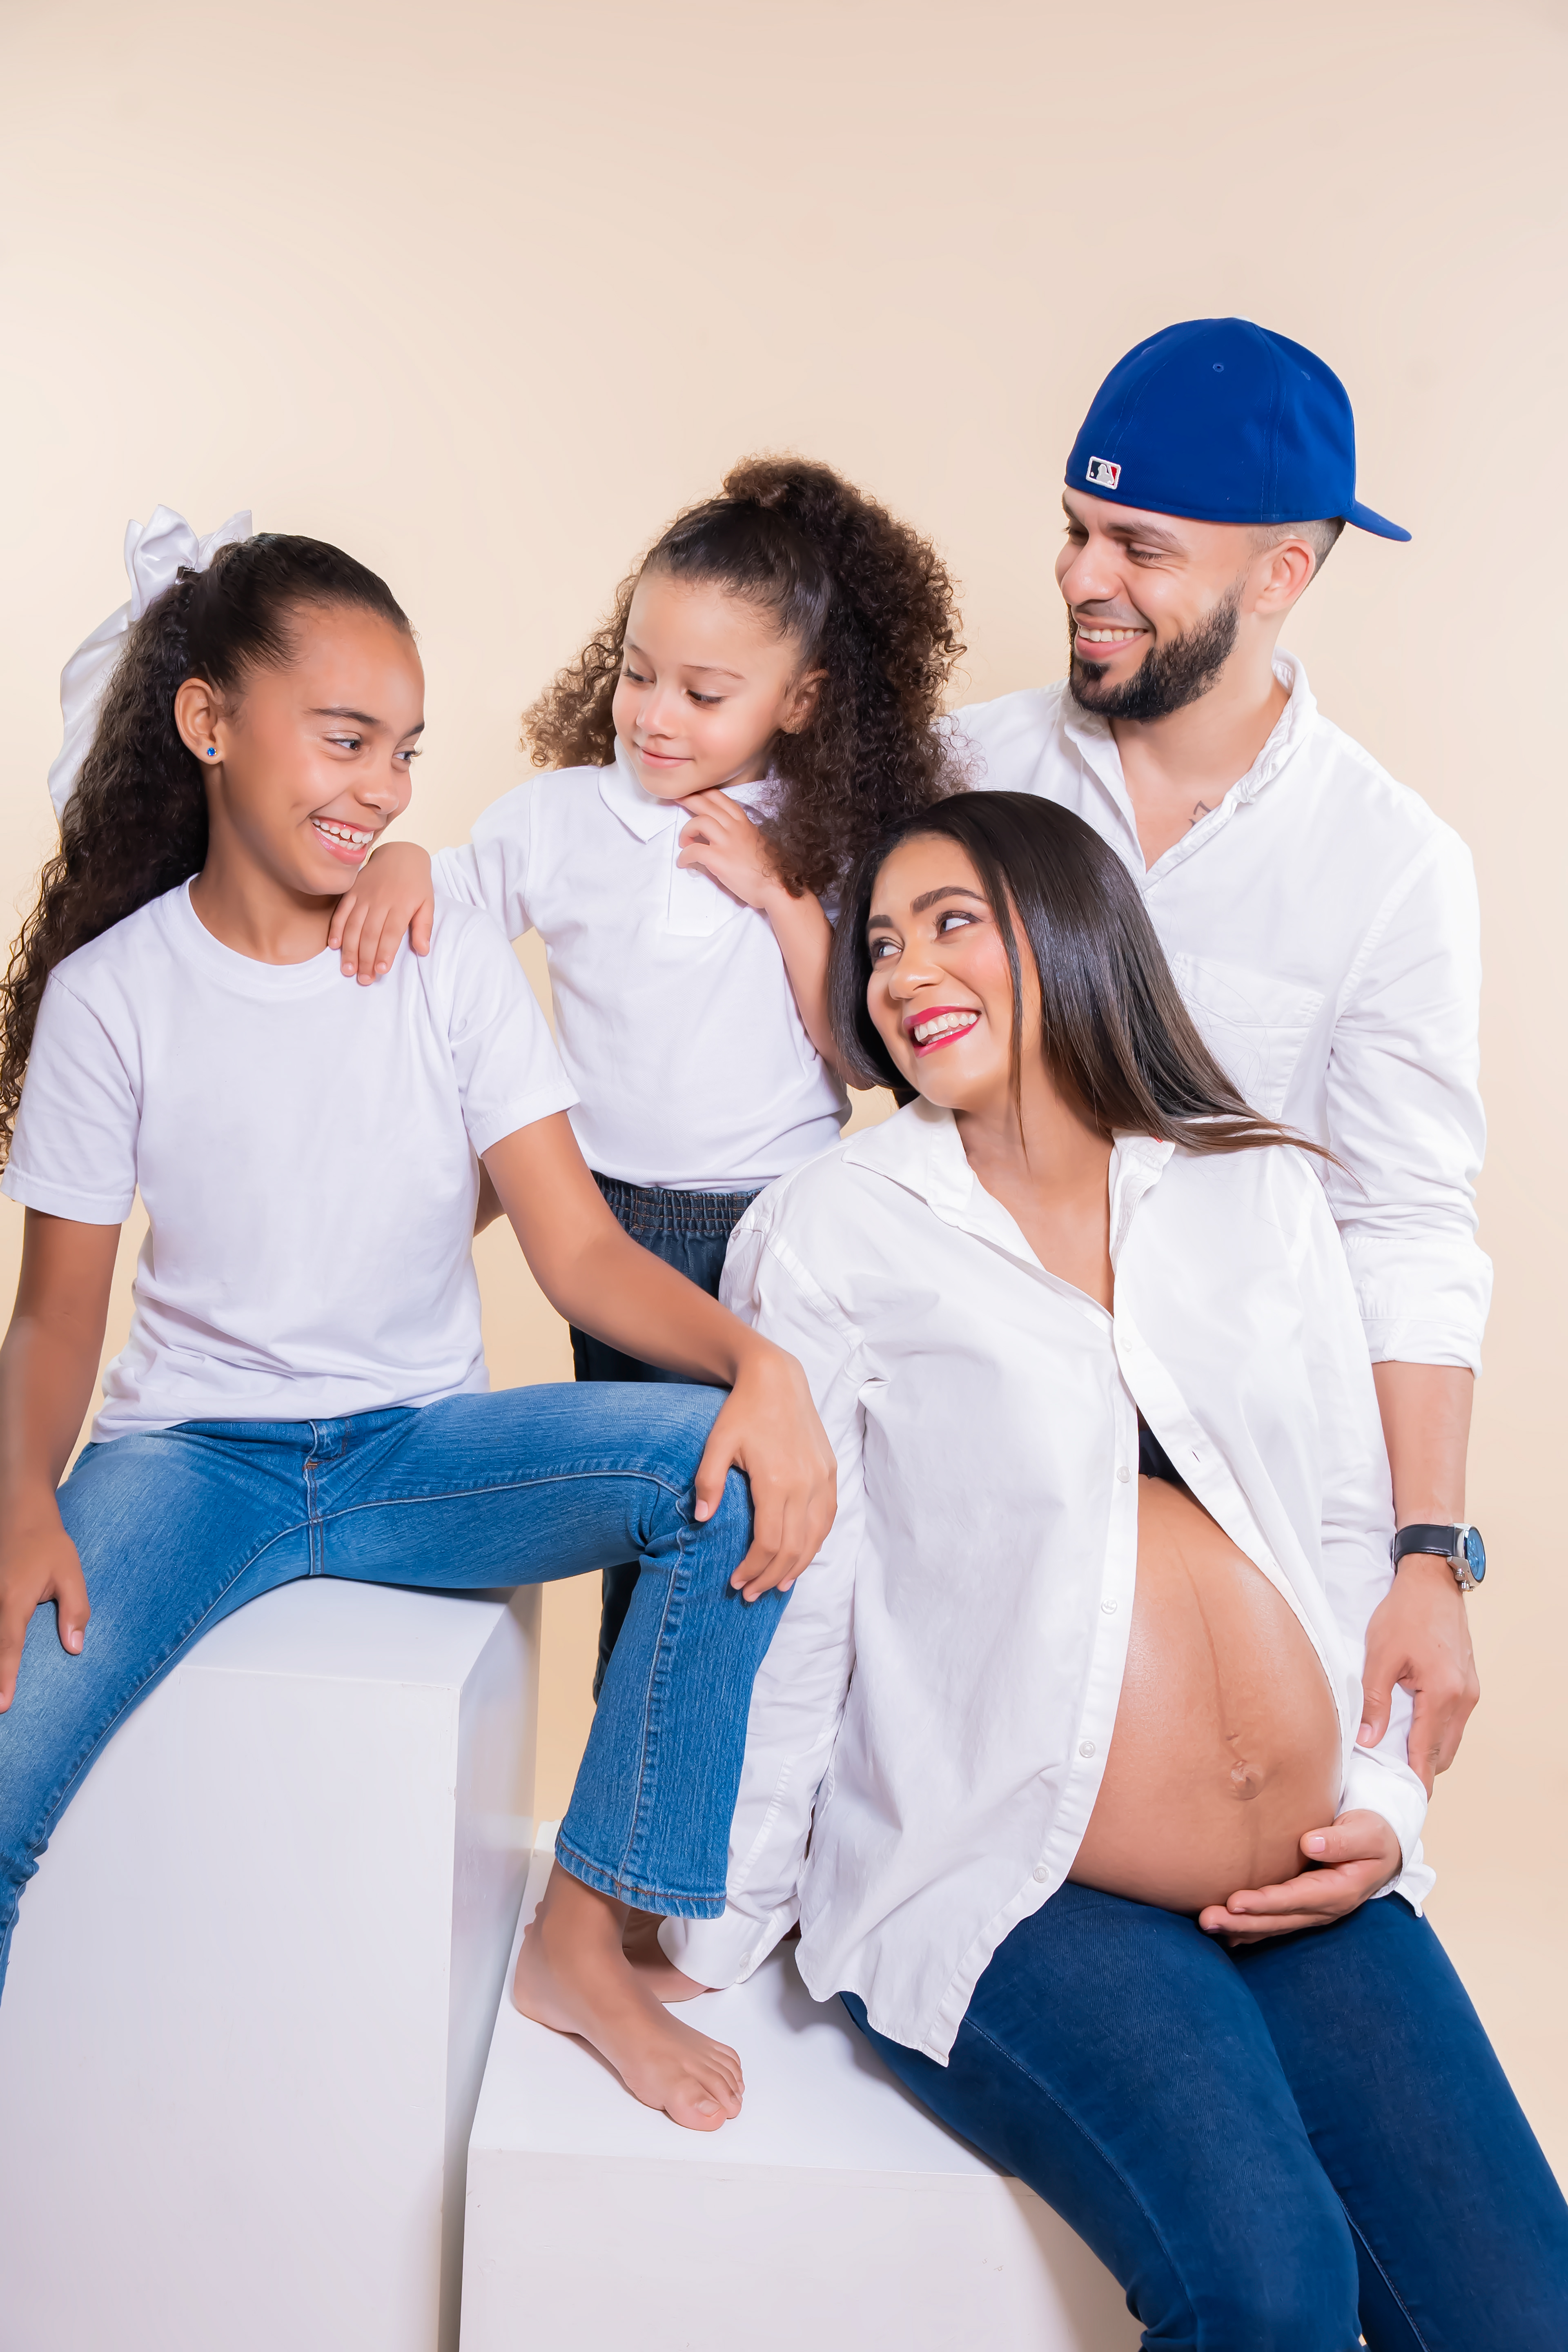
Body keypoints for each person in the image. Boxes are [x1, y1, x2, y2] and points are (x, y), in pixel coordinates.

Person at [640, 793, 1568, 2346]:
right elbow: (804, 1592)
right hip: (1019, 1881)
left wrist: (1387, 1810)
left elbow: (1348, 1533)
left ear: (1073, 931)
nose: (904, 972)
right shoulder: (835, 1230)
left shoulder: (1252, 1186)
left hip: (1305, 1873)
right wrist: (714, 1921)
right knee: (1267, 2285)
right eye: (881, 944)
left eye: (952, 923)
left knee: (1522, 2309)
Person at [0, 517, 837, 2134]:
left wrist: (760, 1364)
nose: (382, 789)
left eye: (404, 752)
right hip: (192, 1457)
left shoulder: (446, 967)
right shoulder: (114, 996)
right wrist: (25, 1498)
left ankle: (583, 1937)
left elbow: (577, 1250)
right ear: (208, 722)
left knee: (728, 1479)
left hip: (422, 1451)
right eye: (345, 739)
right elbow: (53, 1323)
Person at [322, 456, 963, 1690]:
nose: (657, 717)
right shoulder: (563, 819)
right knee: (654, 1517)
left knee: (768, 1522)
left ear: (800, 699)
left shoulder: (827, 838)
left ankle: (744, 1764)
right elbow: (449, 898)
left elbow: (862, 1057)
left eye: (705, 694)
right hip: (608, 1227)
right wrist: (400, 861)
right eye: (637, 673)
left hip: (780, 1223)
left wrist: (779, 895)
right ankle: (634, 1758)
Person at [955, 319, 1489, 1788]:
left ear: (1280, 576)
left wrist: (1428, 1558)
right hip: (968, 1437)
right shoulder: (960, 772)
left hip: (1240, 1465)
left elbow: (1406, 1221)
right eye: (1075, 529)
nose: (1081, 577)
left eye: (1139, 547)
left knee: (1315, 1853)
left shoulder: (1391, 865)